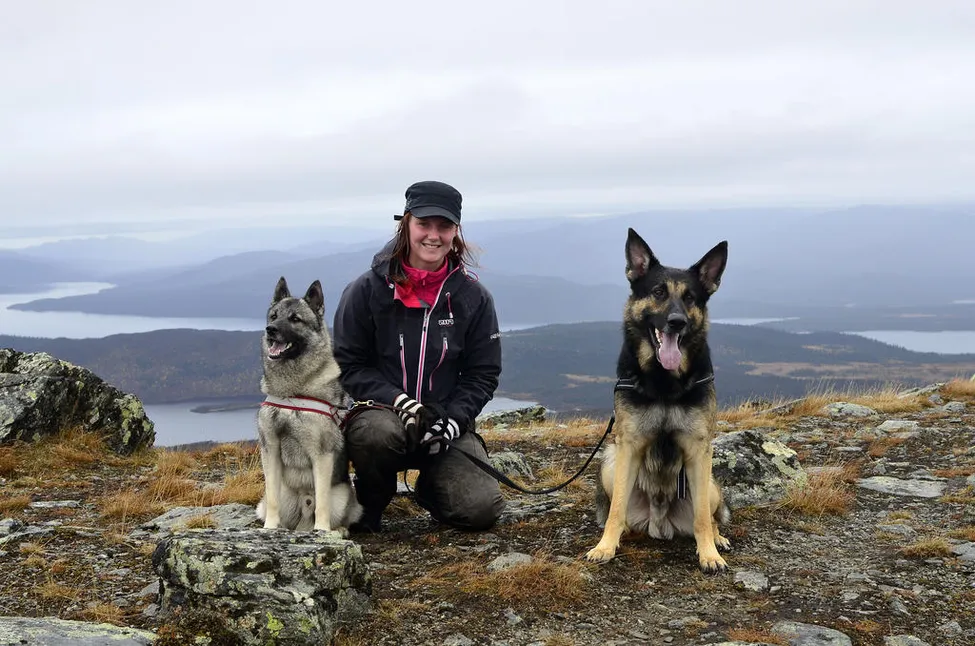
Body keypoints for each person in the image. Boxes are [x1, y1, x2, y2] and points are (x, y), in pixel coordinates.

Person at [332, 180, 505, 533]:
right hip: (382, 415)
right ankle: (371, 501)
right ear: (406, 224)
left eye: (444, 226)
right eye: (424, 224)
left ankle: (432, 487)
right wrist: (401, 402)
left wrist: (453, 419)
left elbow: (483, 374)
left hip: (445, 423)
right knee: (376, 434)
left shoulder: (473, 298)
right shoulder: (366, 291)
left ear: (456, 231)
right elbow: (349, 365)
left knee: (481, 509)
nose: (433, 235)